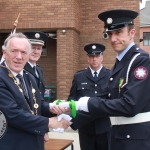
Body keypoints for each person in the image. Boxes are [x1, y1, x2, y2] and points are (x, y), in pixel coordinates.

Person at [55, 9, 150, 150]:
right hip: (120, 136)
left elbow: (130, 105)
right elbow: (106, 96)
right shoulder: (122, 62)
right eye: (110, 34)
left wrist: (86, 102)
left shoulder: (140, 61)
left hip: (134, 140)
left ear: (132, 33)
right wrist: (73, 109)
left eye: (118, 33)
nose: (113, 39)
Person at [0, 33, 70, 150]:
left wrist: (52, 107)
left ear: (28, 56)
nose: (19, 56)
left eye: (23, 52)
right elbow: (13, 114)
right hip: (11, 144)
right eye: (14, 51)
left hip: (34, 143)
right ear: (4, 53)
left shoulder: (28, 76)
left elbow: (38, 104)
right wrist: (50, 122)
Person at [68, 43, 111, 150]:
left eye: (97, 56)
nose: (94, 59)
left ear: (102, 57)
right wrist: (72, 116)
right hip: (85, 127)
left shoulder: (110, 76)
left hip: (104, 126)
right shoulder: (79, 77)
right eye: (91, 56)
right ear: (88, 58)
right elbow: (72, 99)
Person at [23, 31, 47, 98]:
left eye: (39, 49)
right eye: (33, 48)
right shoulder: (20, 68)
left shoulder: (39, 70)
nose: (36, 52)